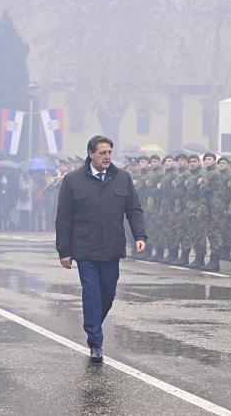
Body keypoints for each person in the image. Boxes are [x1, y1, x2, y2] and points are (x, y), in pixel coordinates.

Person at [55, 135, 146, 363]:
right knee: (91, 294)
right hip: (85, 248)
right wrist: (63, 251)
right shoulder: (73, 180)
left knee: (108, 294)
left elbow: (134, 209)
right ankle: (95, 342)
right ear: (91, 154)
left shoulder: (122, 178)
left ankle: (93, 322)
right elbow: (63, 219)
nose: (107, 157)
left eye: (109, 153)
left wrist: (140, 235)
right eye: (102, 153)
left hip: (112, 247)